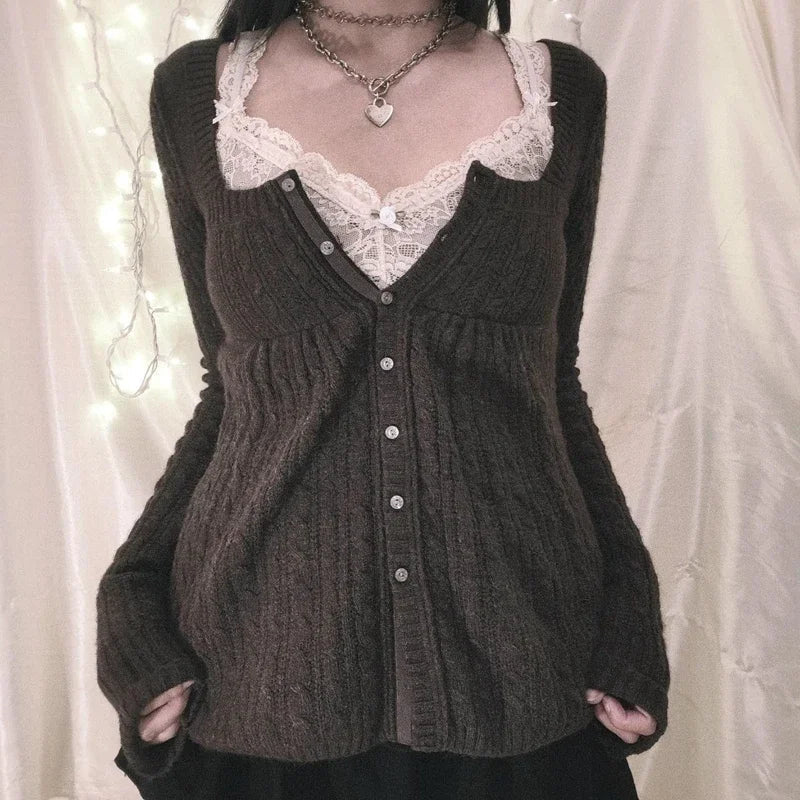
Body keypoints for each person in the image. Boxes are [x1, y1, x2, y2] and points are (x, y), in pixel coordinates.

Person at [96, 1, 671, 798]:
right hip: (261, 684)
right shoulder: (199, 91)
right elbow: (230, 387)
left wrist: (631, 607)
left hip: (525, 677)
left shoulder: (559, 90)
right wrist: (129, 592)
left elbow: (553, 384)